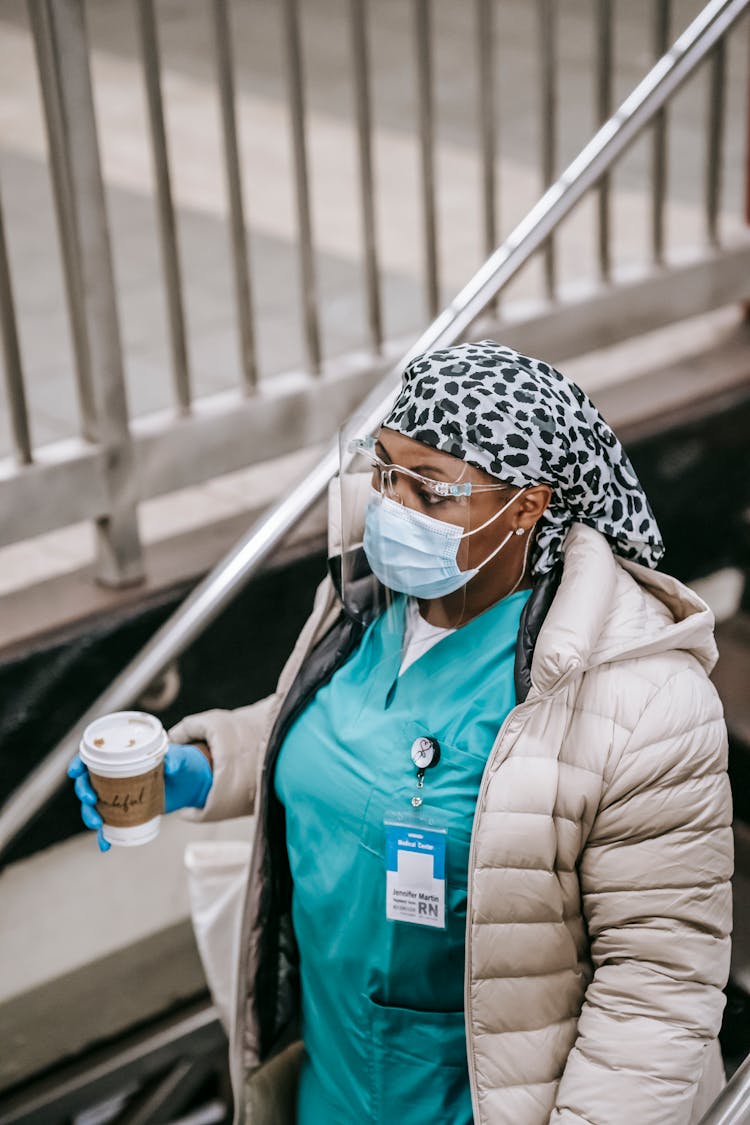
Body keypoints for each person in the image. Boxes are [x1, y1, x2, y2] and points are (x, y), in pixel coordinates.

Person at [70, 341, 733, 1125]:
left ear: (528, 506)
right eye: (385, 472)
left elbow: (654, 993)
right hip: (331, 1086)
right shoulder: (364, 607)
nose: (394, 509)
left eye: (432, 490)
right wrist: (203, 765)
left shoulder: (643, 700)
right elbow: (330, 730)